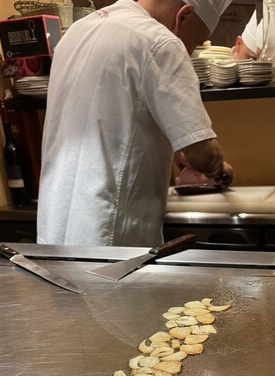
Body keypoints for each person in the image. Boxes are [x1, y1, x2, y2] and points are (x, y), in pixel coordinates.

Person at [37, 0, 234, 247]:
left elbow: (108, 117)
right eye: (194, 44)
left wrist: (172, 147)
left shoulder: (76, 32)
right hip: (108, 241)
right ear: (184, 15)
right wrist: (219, 168)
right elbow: (202, 154)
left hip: (53, 231)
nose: (190, 52)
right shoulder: (160, 41)